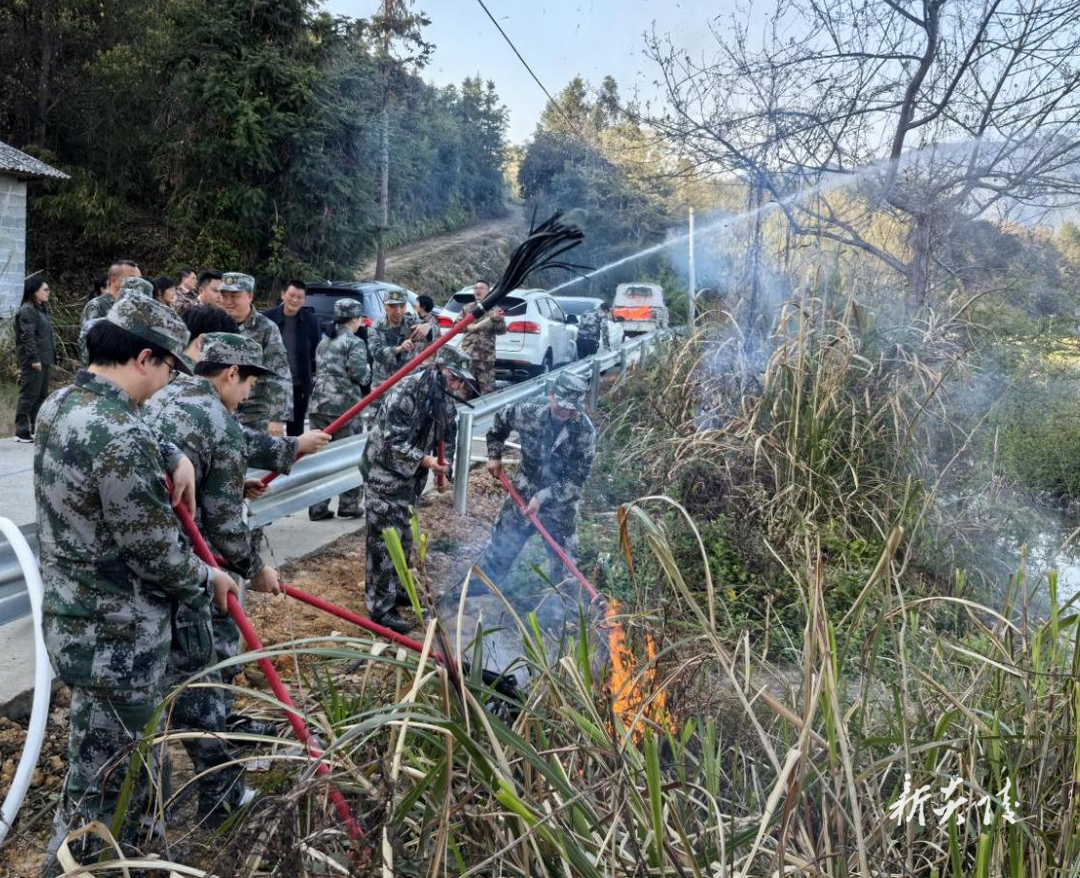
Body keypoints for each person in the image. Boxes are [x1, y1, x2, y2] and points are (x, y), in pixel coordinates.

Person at [35, 294, 237, 870]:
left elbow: (137, 431)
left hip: (78, 624)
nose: (170, 381)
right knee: (101, 786)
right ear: (144, 358)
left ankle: (133, 854)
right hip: (118, 640)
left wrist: (177, 455)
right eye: (170, 368)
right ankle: (75, 865)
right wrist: (211, 577)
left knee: (113, 759)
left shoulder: (61, 405)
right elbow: (156, 555)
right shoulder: (120, 440)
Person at [145, 332, 285, 824]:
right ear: (230, 374)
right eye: (248, 385)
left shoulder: (160, 396)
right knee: (202, 680)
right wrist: (256, 568)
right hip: (190, 574)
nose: (248, 396)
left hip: (145, 568)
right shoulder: (217, 420)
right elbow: (226, 528)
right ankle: (221, 796)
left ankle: (149, 808)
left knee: (156, 688)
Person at [361, 347, 476, 633]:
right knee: (383, 541)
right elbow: (390, 443)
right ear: (438, 369)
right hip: (383, 473)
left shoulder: (445, 401)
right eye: (453, 379)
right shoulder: (406, 392)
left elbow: (448, 437)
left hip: (411, 478)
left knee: (403, 536)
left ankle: (398, 590)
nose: (456, 386)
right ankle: (380, 607)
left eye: (461, 382)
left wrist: (444, 466)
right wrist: (426, 460)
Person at [474, 372, 596, 586]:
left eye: (572, 408)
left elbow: (576, 480)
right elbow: (498, 427)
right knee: (500, 547)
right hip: (523, 490)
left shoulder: (584, 432)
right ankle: (477, 589)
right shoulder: (527, 411)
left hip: (560, 502)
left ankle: (562, 610)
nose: (566, 412)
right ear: (551, 395)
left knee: (564, 563)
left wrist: (542, 498)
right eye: (561, 406)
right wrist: (494, 456)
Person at [307, 299, 370, 521]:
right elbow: (359, 373)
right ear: (355, 318)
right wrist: (368, 373)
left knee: (320, 457)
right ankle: (349, 504)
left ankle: (317, 506)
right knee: (349, 455)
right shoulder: (354, 342)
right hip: (344, 405)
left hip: (318, 403)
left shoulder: (324, 341)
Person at [218, 272, 292, 436]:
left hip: (255, 415)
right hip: (220, 413)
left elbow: (280, 372)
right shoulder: (215, 323)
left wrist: (277, 418)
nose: (228, 302)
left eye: (235, 296)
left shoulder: (266, 328)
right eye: (224, 295)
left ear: (250, 296)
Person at [263, 280, 321, 436]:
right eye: (292, 295)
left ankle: (295, 461)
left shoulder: (311, 321)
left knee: (296, 432)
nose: (295, 300)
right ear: (283, 295)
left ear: (304, 300)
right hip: (270, 386)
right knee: (269, 432)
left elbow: (316, 352)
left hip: (298, 386)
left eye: (300, 297)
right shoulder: (266, 319)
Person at [14, 276, 56, 442]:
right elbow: (27, 337)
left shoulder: (40, 309)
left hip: (44, 359)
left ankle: (36, 428)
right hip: (34, 360)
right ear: (34, 291)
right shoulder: (28, 310)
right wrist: (33, 359)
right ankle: (22, 431)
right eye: (45, 290)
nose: (48, 293)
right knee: (29, 395)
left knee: (40, 396)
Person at [368, 288, 432, 390]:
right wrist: (400, 348)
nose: (398, 311)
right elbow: (376, 353)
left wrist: (429, 326)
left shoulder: (413, 322)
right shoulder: (376, 327)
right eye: (393, 306)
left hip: (407, 387)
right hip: (382, 386)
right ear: (385, 306)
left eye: (402, 306)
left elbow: (437, 336)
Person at [459, 280, 505, 394]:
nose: (477, 290)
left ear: (488, 291)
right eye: (475, 288)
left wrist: (498, 321)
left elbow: (502, 331)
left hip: (485, 357)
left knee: (487, 391)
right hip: (467, 355)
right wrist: (467, 326)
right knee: (462, 390)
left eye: (481, 288)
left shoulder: (495, 310)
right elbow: (457, 326)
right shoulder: (467, 308)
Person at [80, 260, 140, 327]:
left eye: (140, 279)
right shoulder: (97, 305)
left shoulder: (136, 305)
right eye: (132, 279)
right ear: (114, 281)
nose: (138, 283)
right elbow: (91, 335)